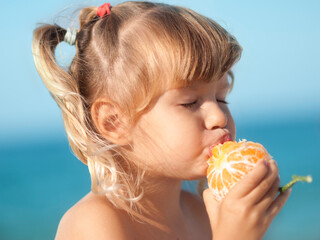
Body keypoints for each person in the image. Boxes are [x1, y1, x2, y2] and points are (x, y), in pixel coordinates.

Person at [32, 1, 291, 239]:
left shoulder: (200, 212)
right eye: (190, 102)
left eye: (222, 98)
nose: (219, 116)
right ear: (114, 123)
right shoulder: (93, 224)